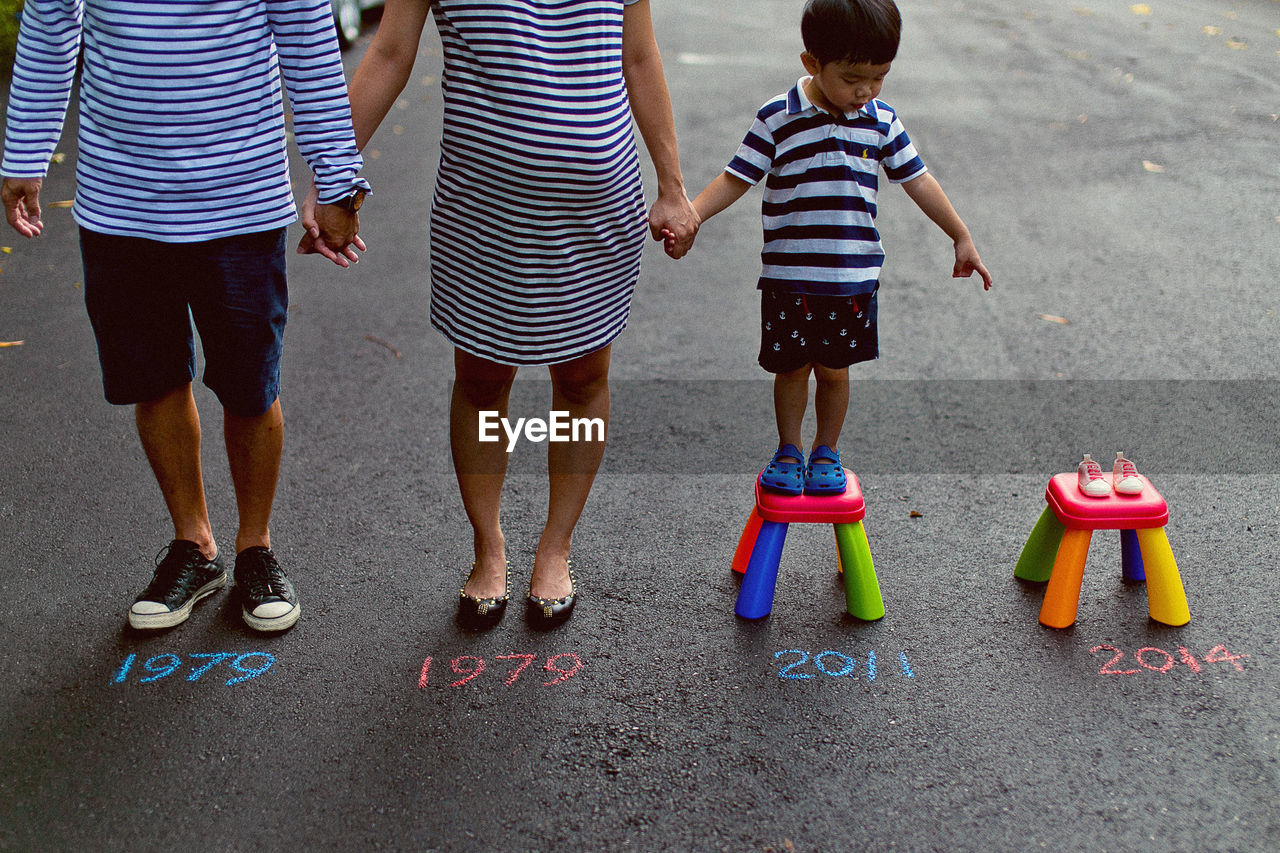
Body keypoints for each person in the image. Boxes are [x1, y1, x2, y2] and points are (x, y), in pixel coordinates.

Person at [315, 0, 697, 627]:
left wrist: (672, 184)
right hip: (483, 209)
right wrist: (334, 176)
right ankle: (488, 549)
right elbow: (388, 52)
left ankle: (555, 549)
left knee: (580, 382)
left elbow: (638, 55)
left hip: (593, 211)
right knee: (483, 383)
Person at [1, 0, 371, 632]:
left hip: (240, 203)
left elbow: (310, 46)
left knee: (250, 385)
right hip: (121, 206)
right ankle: (195, 547)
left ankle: (256, 547)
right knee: (154, 379)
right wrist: (24, 155)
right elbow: (49, 27)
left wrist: (339, 182)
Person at [675, 0, 991, 496]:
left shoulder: (880, 120)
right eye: (851, 78)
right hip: (788, 278)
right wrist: (693, 214)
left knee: (835, 372)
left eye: (879, 77)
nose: (865, 91)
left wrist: (961, 234)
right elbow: (737, 178)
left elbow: (919, 180)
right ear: (811, 63)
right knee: (790, 368)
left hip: (851, 279)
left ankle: (826, 448)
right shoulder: (778, 117)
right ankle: (788, 448)